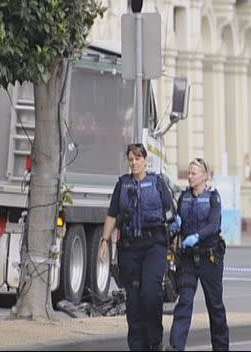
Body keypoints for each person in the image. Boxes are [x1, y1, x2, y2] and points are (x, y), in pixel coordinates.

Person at [99, 143, 175, 351]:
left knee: (150, 295)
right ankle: (137, 346)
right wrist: (104, 241)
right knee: (133, 302)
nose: (134, 163)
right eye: (131, 159)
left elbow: (170, 215)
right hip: (129, 249)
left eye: (137, 159)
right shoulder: (122, 185)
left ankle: (154, 341)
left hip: (154, 246)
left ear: (145, 160)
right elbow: (112, 214)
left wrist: (175, 240)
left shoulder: (157, 183)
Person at [168, 158, 229, 351]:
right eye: (189, 173)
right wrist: (174, 227)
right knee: (184, 303)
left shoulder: (213, 197)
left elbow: (213, 225)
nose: (190, 176)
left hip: (210, 258)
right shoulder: (183, 197)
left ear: (205, 176)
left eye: (194, 173)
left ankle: (221, 347)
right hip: (188, 259)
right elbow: (177, 224)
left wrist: (197, 236)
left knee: (215, 306)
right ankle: (176, 347)